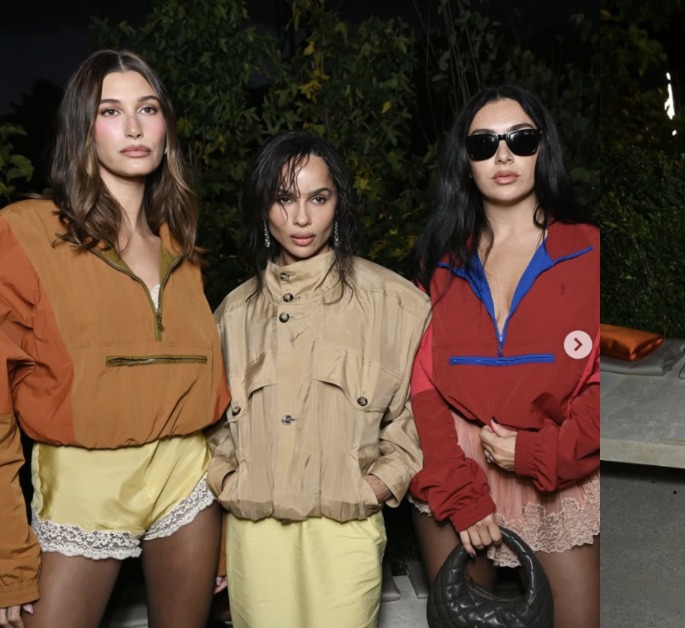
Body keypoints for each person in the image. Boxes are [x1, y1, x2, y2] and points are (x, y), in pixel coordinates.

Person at [0, 50, 229, 628]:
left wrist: (229, 535)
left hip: (187, 479)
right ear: (84, 128)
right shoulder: (25, 232)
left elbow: (213, 397)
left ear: (165, 127)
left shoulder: (182, 246)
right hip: (84, 481)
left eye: (147, 109)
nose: (133, 127)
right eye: (110, 111)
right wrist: (8, 557)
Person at [206, 130, 428, 628]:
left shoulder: (396, 304)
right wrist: (228, 477)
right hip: (254, 532)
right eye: (284, 199)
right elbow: (211, 421)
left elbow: (418, 414)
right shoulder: (233, 315)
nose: (301, 218)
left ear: (339, 203)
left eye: (318, 198)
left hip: (346, 528)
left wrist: (378, 483)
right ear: (263, 207)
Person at [408, 85, 600, 628]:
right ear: (465, 162)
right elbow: (422, 388)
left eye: (520, 139)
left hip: (557, 460)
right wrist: (459, 490)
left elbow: (604, 382)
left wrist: (540, 453)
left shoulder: (590, 250)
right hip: (455, 461)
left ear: (543, 148)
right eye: (484, 144)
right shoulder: (437, 261)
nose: (503, 155)